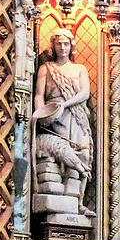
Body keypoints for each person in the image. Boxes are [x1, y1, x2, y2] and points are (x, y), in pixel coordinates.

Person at [32, 28, 94, 216]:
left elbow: (85, 93)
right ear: (53, 45)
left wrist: (65, 105)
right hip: (55, 118)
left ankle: (77, 203)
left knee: (81, 155)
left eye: (66, 43)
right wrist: (42, 115)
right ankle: (61, 204)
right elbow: (39, 95)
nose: (62, 47)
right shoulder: (46, 68)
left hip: (75, 116)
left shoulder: (79, 69)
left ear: (71, 46)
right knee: (61, 156)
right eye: (59, 43)